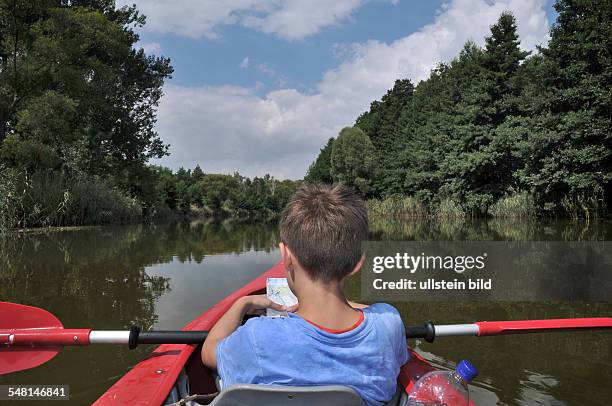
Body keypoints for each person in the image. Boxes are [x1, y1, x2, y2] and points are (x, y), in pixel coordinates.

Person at [201, 183, 408, 406]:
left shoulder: (257, 338)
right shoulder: (389, 323)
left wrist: (242, 304)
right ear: (358, 263)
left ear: (286, 256)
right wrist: (347, 304)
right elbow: (372, 318)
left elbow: (209, 353)